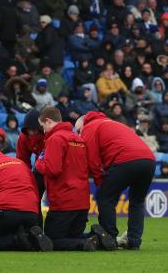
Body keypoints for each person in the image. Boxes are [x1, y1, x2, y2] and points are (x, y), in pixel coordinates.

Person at [77, 109, 160, 250]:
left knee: (105, 197)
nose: (79, 135)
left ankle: (109, 237)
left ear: (83, 124)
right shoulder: (112, 123)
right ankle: (134, 241)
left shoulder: (90, 127)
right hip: (149, 160)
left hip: (125, 160)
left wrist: (99, 182)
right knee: (137, 202)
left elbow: (92, 160)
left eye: (79, 131)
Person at [36, 107, 115, 251]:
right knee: (71, 236)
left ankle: (85, 243)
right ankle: (94, 237)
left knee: (51, 239)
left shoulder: (55, 139)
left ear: (47, 121)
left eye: (42, 126)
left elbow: (53, 170)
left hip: (64, 201)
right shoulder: (79, 139)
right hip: (82, 202)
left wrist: (38, 163)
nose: (43, 131)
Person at [0, 149, 51, 251]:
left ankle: (16, 240)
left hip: (5, 212)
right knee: (15, 229)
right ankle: (29, 238)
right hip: (31, 212)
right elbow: (34, 188)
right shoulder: (20, 163)